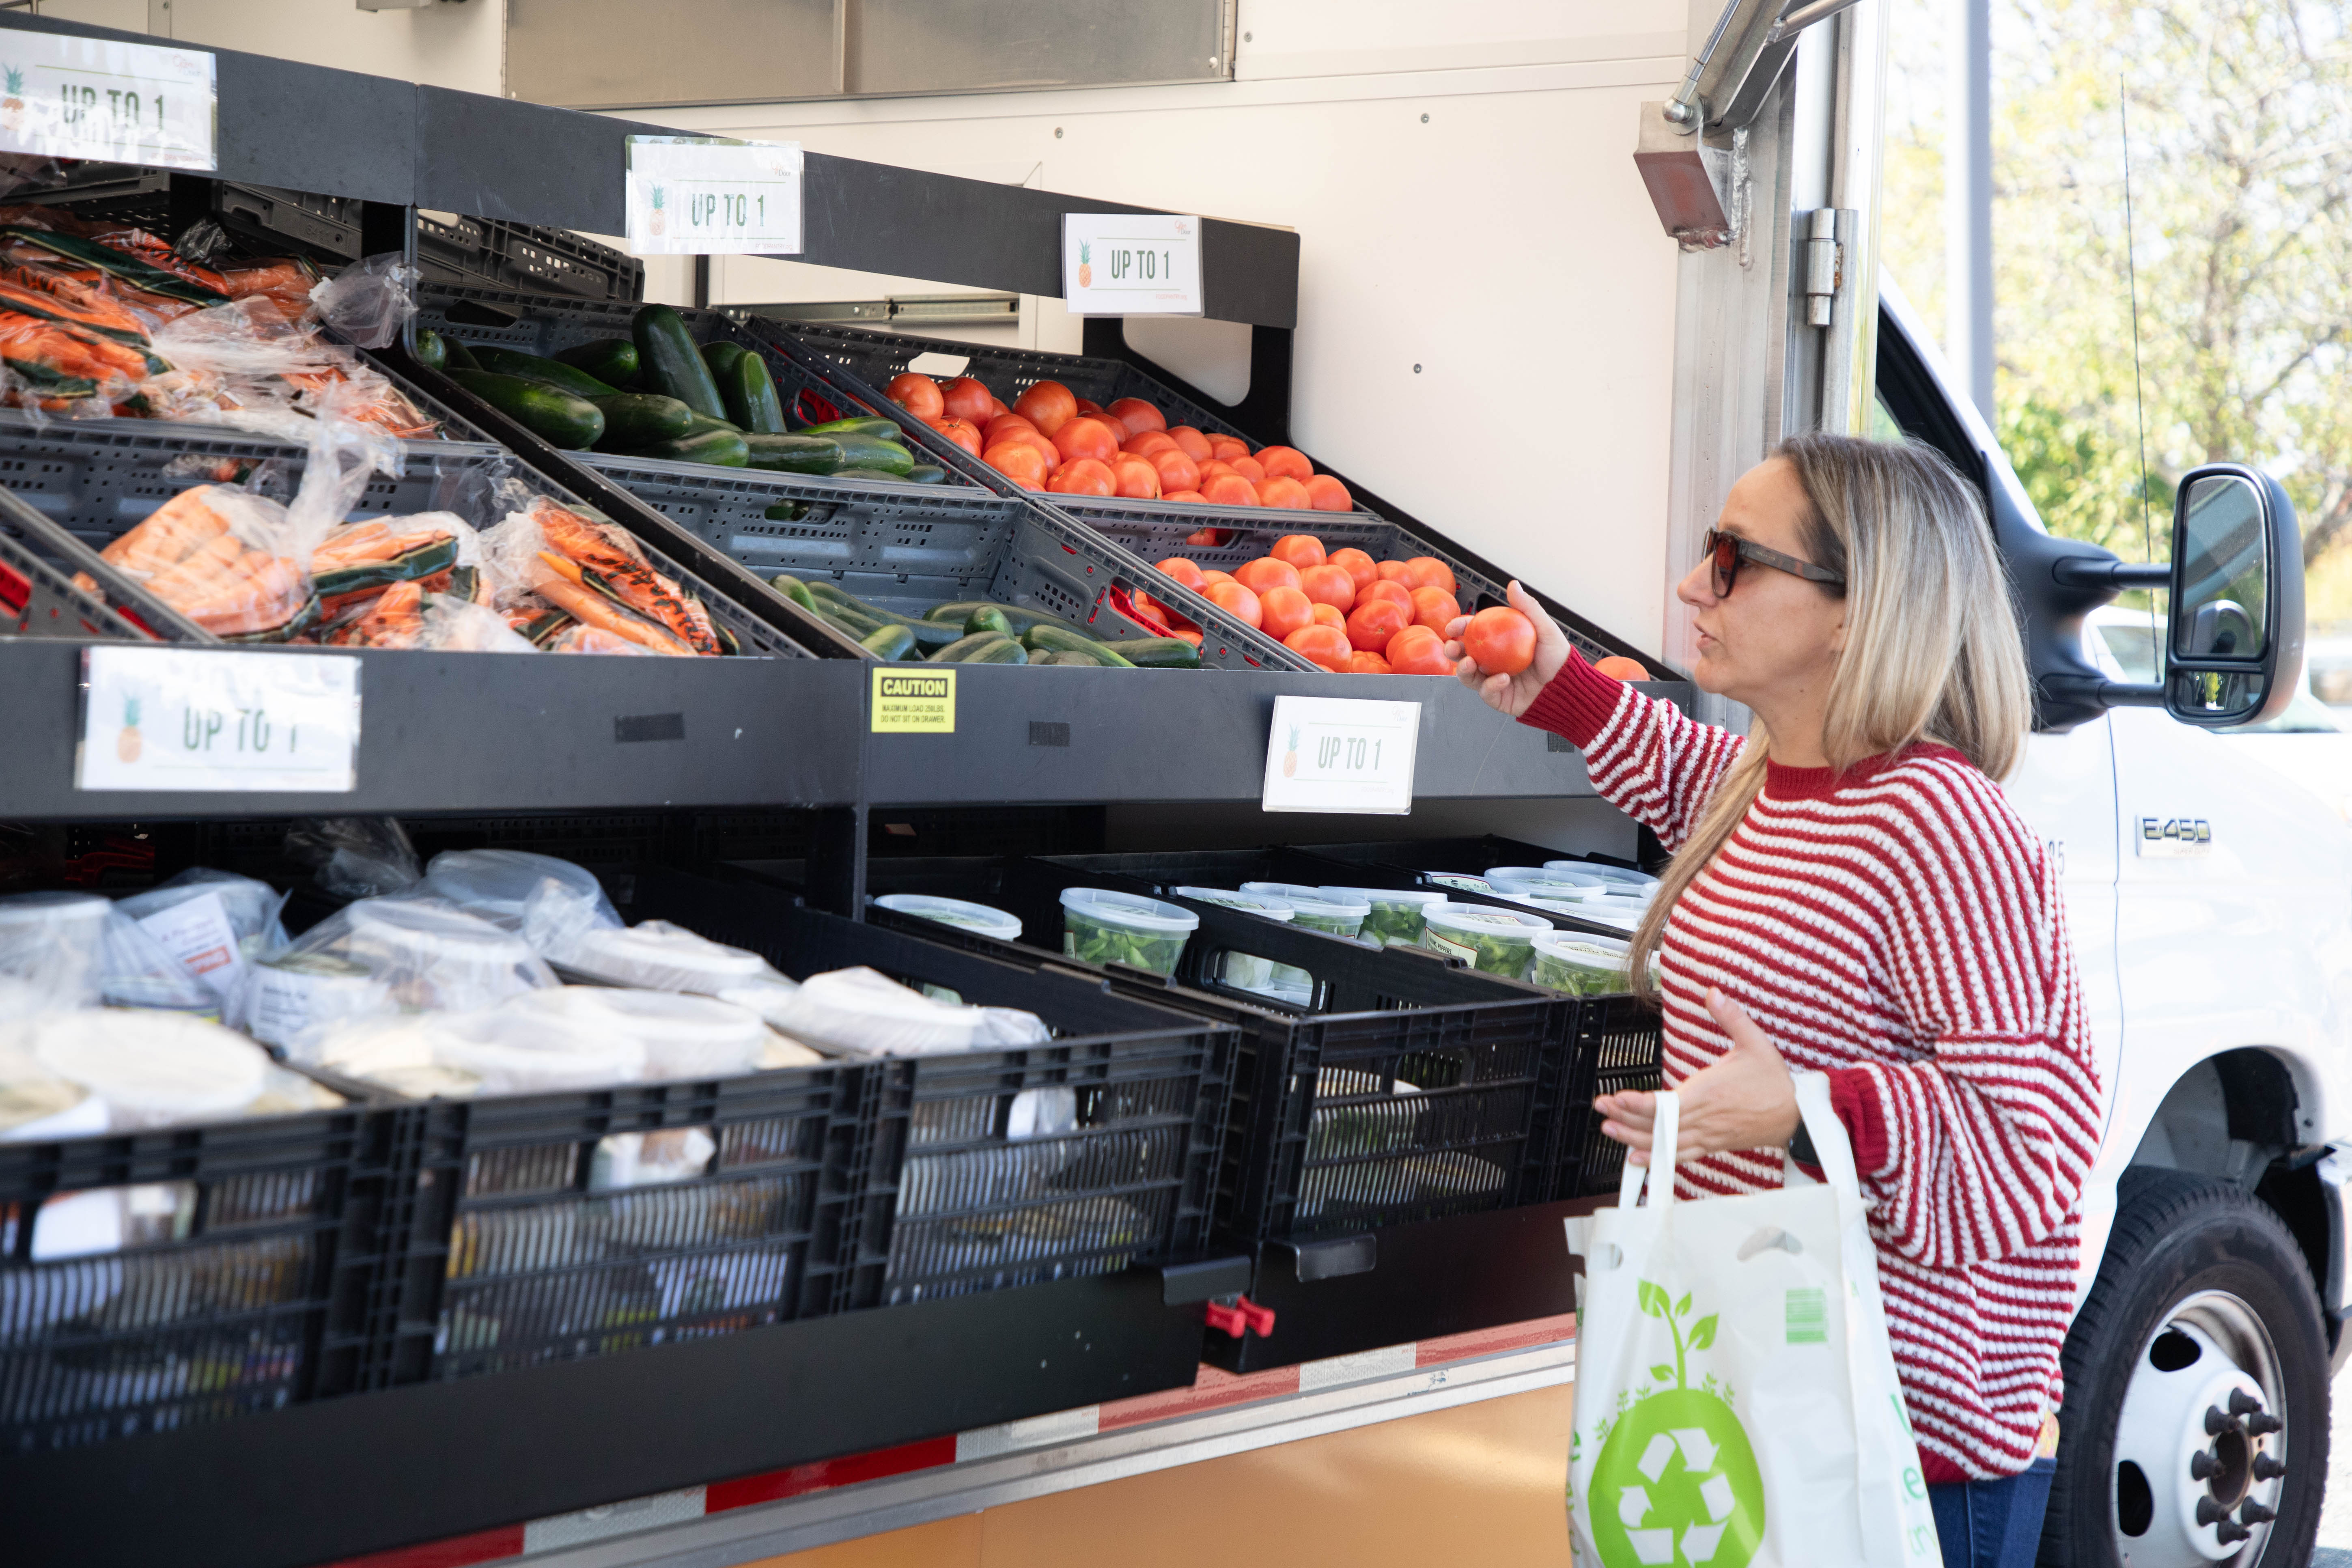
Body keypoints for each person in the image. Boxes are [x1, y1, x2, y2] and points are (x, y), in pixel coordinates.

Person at [1450, 434, 2099, 1568]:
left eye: (1733, 559)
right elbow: (1693, 779)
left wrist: (1804, 1109)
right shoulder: (1774, 782)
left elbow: (2030, 1147)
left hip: (1896, 1451)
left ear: (1856, 609)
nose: (1691, 584)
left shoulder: (1942, 827)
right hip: (1757, 1401)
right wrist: (1564, 688)